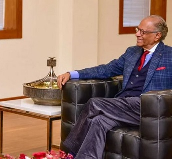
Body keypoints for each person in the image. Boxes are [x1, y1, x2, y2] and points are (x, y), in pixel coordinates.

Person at [57, 15, 170, 159]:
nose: (137, 34)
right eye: (137, 29)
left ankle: (68, 152)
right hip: (124, 105)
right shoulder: (132, 52)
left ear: (157, 35)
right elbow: (106, 69)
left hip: (149, 109)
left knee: (94, 103)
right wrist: (73, 74)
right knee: (98, 121)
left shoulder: (169, 56)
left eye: (143, 32)